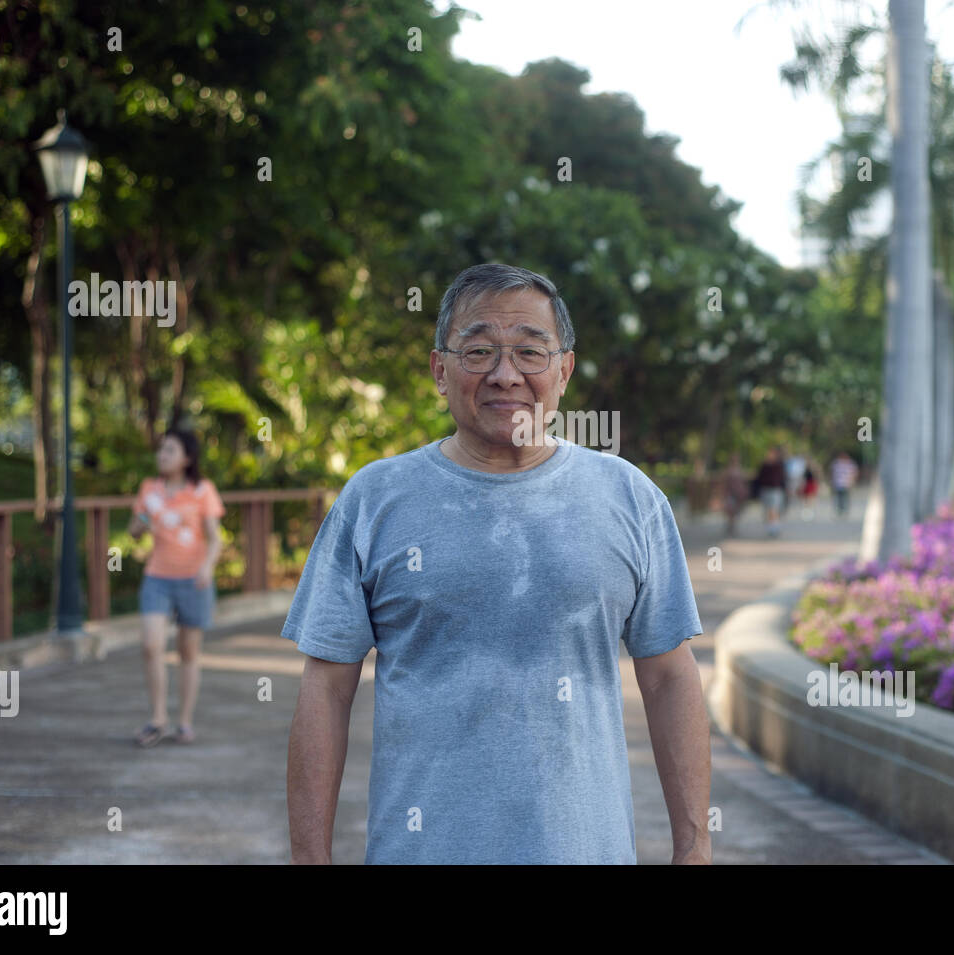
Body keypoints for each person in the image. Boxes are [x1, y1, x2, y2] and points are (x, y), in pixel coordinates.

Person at [281, 263, 709, 865]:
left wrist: (694, 847)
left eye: (531, 352)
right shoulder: (375, 500)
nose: (506, 375)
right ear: (439, 369)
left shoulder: (629, 498)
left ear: (563, 370)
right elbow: (326, 689)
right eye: (479, 350)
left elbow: (669, 677)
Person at [128, 428, 225, 747]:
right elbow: (134, 531)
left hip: (193, 580)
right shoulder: (149, 489)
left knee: (188, 653)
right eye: (161, 450)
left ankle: (184, 722)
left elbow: (214, 538)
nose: (162, 455)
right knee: (151, 645)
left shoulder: (202, 491)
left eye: (169, 450)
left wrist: (207, 567)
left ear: (187, 458)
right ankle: (157, 719)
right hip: (157, 577)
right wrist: (140, 523)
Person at [753, 446, 787, 537]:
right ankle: (770, 527)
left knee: (774, 509)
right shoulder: (764, 465)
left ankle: (774, 528)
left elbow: (782, 478)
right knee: (767, 509)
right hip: (765, 489)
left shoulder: (779, 464)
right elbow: (759, 477)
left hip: (775, 490)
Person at [721, 452, 751, 537]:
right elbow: (724, 483)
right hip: (730, 494)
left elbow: (743, 482)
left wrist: (744, 490)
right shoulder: (728, 470)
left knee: (736, 511)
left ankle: (732, 525)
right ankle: (731, 525)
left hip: (738, 494)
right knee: (731, 511)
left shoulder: (740, 469)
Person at [831, 452, 859, 516]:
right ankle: (839, 510)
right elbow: (832, 473)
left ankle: (845, 510)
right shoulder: (836, 463)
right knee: (839, 497)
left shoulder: (850, 464)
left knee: (846, 497)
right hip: (838, 483)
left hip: (847, 484)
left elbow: (854, 473)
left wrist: (853, 480)